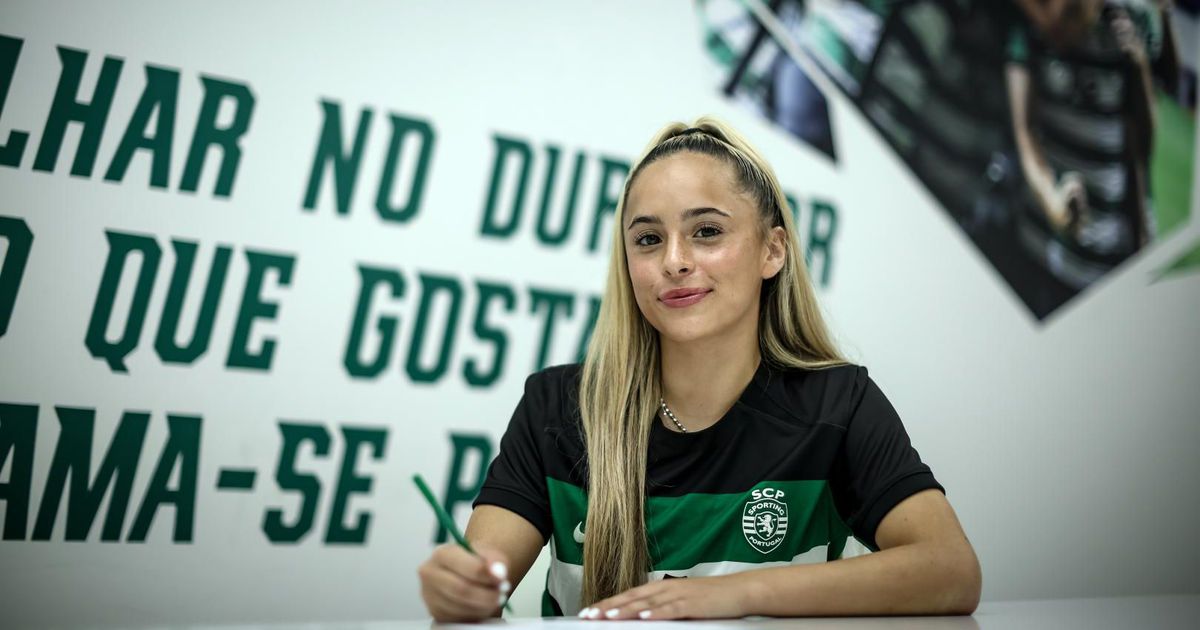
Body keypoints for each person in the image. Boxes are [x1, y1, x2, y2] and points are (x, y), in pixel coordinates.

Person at [417, 117, 981, 621]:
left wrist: (734, 595)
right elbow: (483, 573)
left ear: (772, 251)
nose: (674, 261)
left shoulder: (838, 403)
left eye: (706, 231)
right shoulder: (557, 406)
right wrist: (461, 588)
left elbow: (951, 570)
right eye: (648, 239)